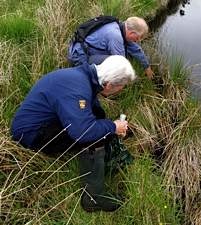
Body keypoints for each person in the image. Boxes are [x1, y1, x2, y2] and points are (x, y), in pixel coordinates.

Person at [11, 55, 136, 212]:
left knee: (101, 126)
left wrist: (113, 127)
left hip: (42, 122)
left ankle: (104, 162)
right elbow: (83, 132)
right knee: (95, 137)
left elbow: (95, 113)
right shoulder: (78, 88)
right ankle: (93, 199)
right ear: (109, 84)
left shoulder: (84, 77)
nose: (121, 89)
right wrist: (112, 127)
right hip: (31, 134)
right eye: (122, 86)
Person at [68, 16, 154, 79]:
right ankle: (99, 86)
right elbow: (122, 65)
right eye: (138, 38)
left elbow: (136, 50)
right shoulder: (115, 36)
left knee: (128, 54)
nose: (138, 41)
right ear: (132, 33)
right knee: (117, 66)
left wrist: (147, 67)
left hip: (87, 48)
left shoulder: (122, 26)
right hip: (79, 57)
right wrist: (135, 79)